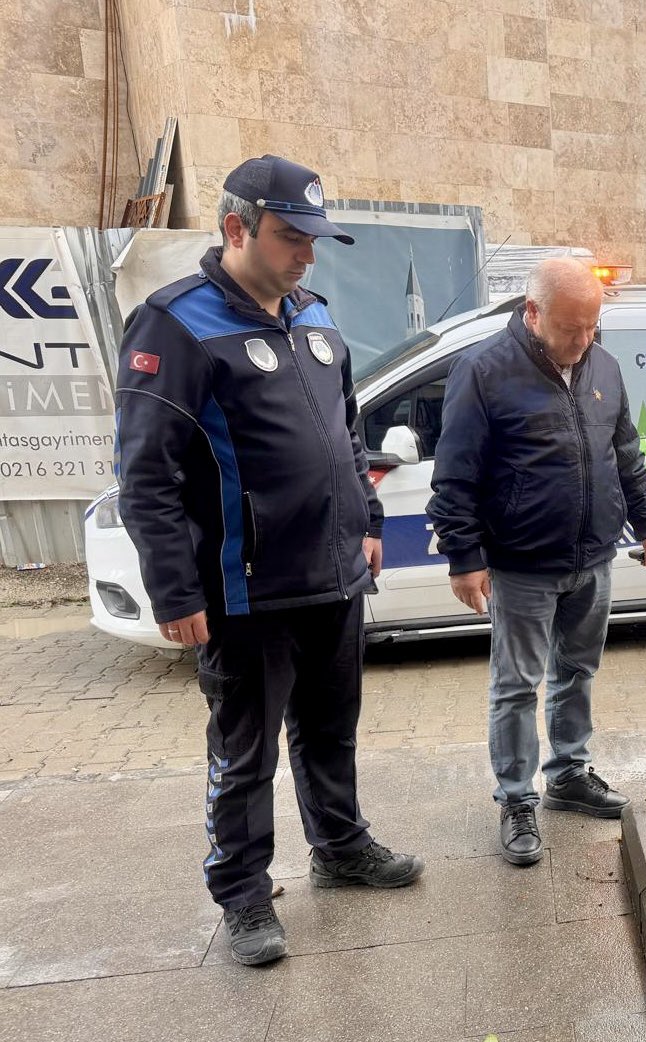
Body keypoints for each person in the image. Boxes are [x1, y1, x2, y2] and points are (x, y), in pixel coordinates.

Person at [115, 155, 424, 968]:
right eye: (291, 237)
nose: (307, 255)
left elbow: (348, 437)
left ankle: (341, 846)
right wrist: (174, 590)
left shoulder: (316, 318)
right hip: (242, 592)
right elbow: (146, 474)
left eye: (315, 240)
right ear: (235, 229)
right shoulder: (175, 324)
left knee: (331, 730)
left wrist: (367, 522)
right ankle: (243, 893)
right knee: (244, 752)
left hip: (332, 577)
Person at [427, 258, 646, 867]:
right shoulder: (482, 372)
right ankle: (515, 798)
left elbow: (625, 454)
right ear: (531, 314)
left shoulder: (604, 367)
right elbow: (455, 475)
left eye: (592, 327)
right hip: (521, 564)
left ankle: (568, 773)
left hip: (595, 555)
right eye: (569, 329)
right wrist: (464, 556)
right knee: (515, 687)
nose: (582, 342)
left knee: (577, 672)